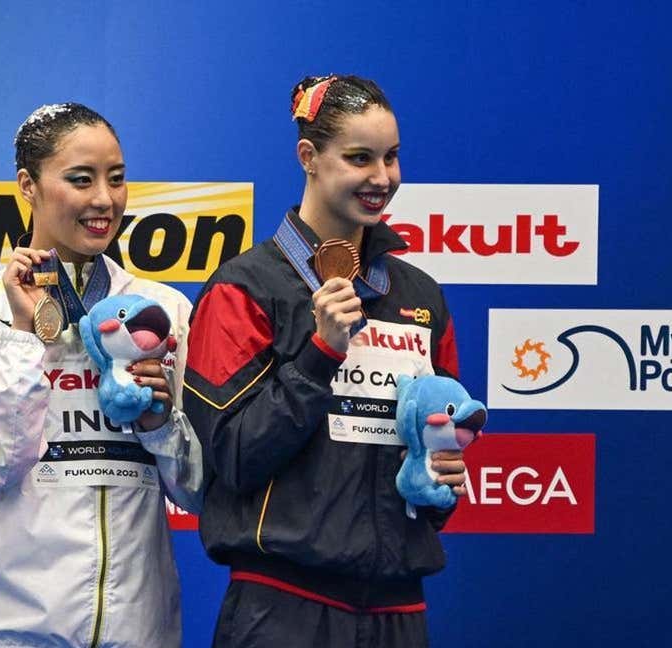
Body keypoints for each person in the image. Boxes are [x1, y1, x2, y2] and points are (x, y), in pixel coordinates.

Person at [182, 75, 468, 647]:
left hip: (399, 606)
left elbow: (437, 438)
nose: (382, 178)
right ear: (308, 157)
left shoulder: (420, 295)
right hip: (284, 607)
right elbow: (232, 458)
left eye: (391, 158)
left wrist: (443, 473)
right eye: (359, 158)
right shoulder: (244, 289)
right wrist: (320, 354)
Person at [0, 103, 203, 648]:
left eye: (116, 179)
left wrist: (161, 423)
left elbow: (198, 493)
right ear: (28, 184)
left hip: (139, 631)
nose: (104, 199)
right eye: (81, 179)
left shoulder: (162, 311)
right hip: (12, 630)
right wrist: (24, 338)